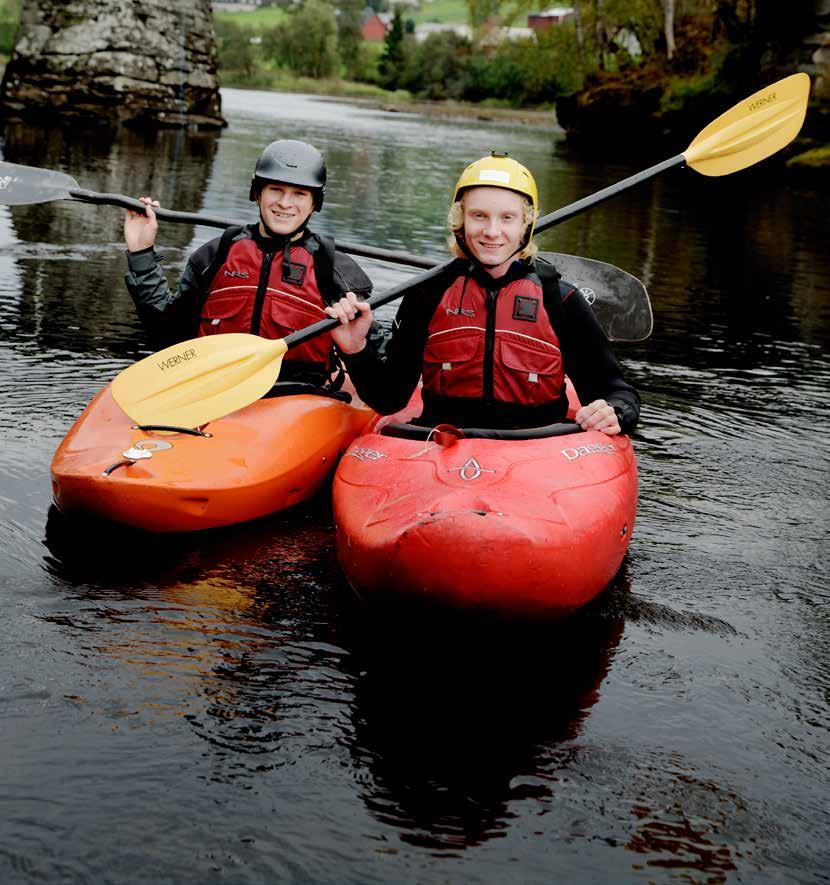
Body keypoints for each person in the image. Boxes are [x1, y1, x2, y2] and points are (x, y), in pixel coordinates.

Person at [324, 151, 640, 435]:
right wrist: (356, 349)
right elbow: (389, 398)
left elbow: (617, 391)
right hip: (440, 448)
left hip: (538, 454)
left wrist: (616, 412)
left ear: (526, 224)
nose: (491, 232)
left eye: (507, 218)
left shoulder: (560, 299)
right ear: (460, 221)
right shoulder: (428, 293)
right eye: (479, 216)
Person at [123, 139, 372, 387]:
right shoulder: (215, 255)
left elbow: (387, 399)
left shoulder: (335, 271)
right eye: (276, 189)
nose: (285, 203)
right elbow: (166, 337)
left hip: (295, 399)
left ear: (314, 203)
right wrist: (141, 253)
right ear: (257, 193)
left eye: (299, 193)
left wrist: (358, 351)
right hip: (214, 385)